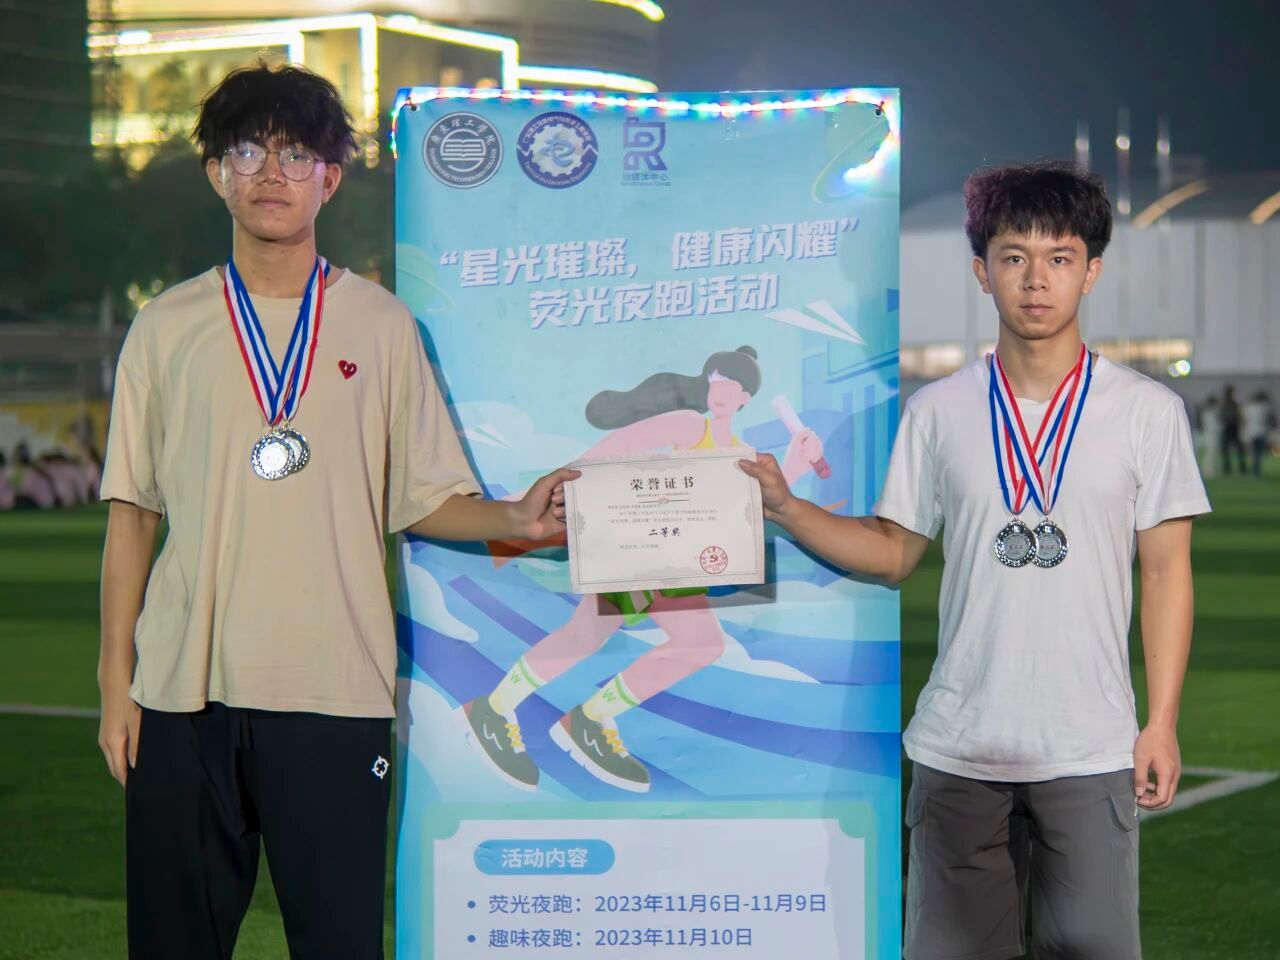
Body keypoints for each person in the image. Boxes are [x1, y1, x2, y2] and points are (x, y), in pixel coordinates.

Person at [97, 63, 573, 960]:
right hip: (182, 693)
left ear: (331, 177)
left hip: (333, 688)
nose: (271, 173)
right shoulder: (164, 326)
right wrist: (113, 687)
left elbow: (426, 500)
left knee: (339, 942)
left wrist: (518, 519)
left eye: (296, 153)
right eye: (248, 152)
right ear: (217, 173)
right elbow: (133, 516)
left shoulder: (382, 326)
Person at [741, 161, 1209, 960]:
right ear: (981, 272)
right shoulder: (938, 410)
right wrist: (788, 508)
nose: (1036, 279)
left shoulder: (1147, 412)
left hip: (1089, 748)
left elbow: (1166, 572)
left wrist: (1160, 723)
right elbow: (892, 552)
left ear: (1091, 272)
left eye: (1059, 258)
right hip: (958, 747)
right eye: (1013, 256)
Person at [462, 347, 823, 793]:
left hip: (676, 563)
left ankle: (555, 715)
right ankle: (531, 713)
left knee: (649, 639)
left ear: (746, 397)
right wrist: (542, 500)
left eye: (733, 384)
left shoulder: (742, 452)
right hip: (635, 548)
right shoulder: (689, 425)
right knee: (630, 637)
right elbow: (611, 451)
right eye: (715, 378)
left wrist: (795, 463)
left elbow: (751, 513)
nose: (721, 389)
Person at [1241, 389, 1273, 478]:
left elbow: (1245, 421)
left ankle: (1254, 471)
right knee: (1258, 454)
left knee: (1253, 454)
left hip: (1251, 433)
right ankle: (1255, 471)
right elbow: (1269, 420)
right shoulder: (1265, 408)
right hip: (1261, 433)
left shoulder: (1249, 408)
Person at [1220, 384, 1246, 474]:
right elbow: (1238, 416)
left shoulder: (1227, 403)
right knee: (1236, 449)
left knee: (1229, 449)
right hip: (1232, 427)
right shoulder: (1232, 404)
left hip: (1230, 427)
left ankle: (1229, 468)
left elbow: (1221, 416)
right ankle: (1239, 467)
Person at [1196, 394, 1221, 478]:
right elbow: (1212, 425)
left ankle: (1208, 470)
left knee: (1209, 454)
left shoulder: (1206, 412)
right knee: (1210, 453)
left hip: (1208, 434)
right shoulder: (1211, 412)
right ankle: (1208, 470)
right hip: (1210, 434)